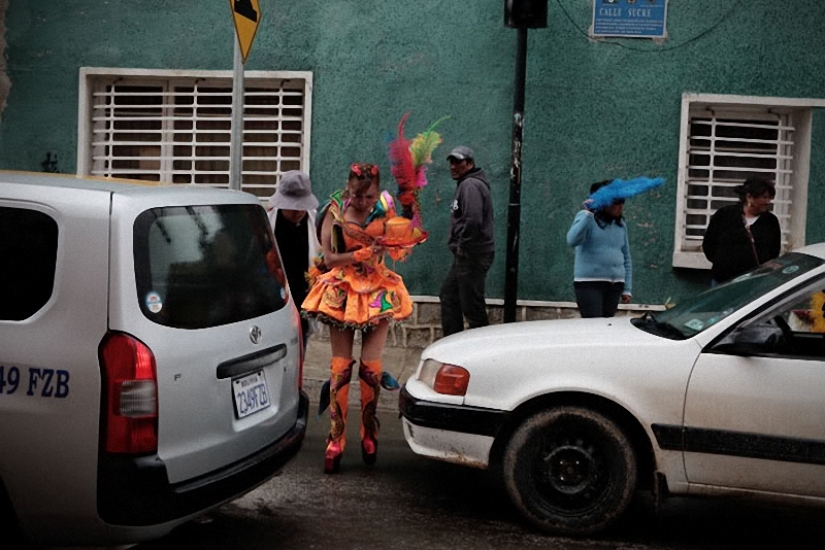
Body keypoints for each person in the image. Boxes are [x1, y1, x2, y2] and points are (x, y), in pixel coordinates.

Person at [302, 162, 413, 474]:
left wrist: (402, 234)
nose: (363, 203)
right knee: (340, 365)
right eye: (357, 196)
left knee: (371, 367)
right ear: (348, 189)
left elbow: (399, 251)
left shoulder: (386, 207)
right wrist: (363, 254)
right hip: (342, 290)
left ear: (377, 191)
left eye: (369, 197)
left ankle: (370, 434)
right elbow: (330, 258)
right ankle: (335, 439)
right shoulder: (334, 211)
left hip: (377, 290)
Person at [440, 146, 495, 337]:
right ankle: (452, 345)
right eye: (451, 162)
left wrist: (462, 245)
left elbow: (473, 220)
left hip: (472, 253)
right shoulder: (467, 184)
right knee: (450, 296)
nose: (453, 166)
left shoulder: (470, 185)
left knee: (471, 306)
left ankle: (483, 350)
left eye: (458, 162)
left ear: (470, 164)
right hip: (469, 253)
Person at [265, 170, 321, 351]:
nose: (298, 212)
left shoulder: (315, 222)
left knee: (300, 345)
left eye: (301, 207)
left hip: (304, 296)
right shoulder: (268, 222)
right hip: (275, 297)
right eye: (292, 207)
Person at [566, 180, 632, 318]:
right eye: (615, 201)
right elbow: (572, 240)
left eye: (622, 201)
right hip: (590, 284)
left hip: (615, 285)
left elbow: (626, 256)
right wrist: (588, 213)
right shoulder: (586, 218)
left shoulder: (620, 225)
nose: (619, 206)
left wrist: (627, 288)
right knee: (593, 326)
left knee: (606, 328)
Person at [702, 176, 781, 285]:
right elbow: (709, 245)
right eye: (764, 197)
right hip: (722, 281)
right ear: (749, 197)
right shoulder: (725, 215)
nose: (768, 202)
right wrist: (722, 263)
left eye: (769, 198)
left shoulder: (770, 221)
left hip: (754, 283)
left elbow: (774, 252)